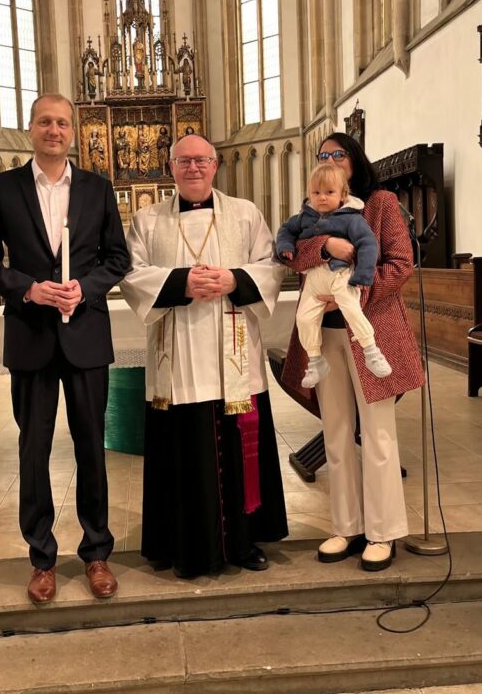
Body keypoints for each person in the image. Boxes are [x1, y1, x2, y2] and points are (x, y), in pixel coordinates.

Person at [0, 93, 130, 604]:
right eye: (45, 122)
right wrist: (26, 288)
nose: (54, 130)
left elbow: (117, 257)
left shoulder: (97, 189)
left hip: (85, 334)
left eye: (62, 123)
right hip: (31, 336)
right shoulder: (4, 188)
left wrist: (86, 287)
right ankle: (41, 559)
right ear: (32, 128)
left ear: (73, 132)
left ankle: (97, 553)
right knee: (34, 450)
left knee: (91, 448)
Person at [121, 134, 288, 578]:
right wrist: (181, 284)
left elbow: (271, 265)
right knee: (183, 452)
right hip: (177, 358)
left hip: (233, 354)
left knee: (238, 449)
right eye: (184, 161)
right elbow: (132, 274)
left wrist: (234, 280)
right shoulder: (147, 220)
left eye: (201, 160)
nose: (193, 167)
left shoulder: (245, 213)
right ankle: (181, 547)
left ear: (215, 165)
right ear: (171, 168)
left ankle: (243, 543)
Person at [281, 132, 424, 572]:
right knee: (337, 433)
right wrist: (325, 246)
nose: (330, 160)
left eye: (337, 153)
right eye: (323, 155)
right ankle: (346, 526)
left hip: (369, 332)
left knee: (377, 434)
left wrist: (354, 295)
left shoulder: (380, 203)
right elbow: (293, 256)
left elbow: (400, 263)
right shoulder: (312, 209)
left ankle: (383, 532)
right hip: (324, 337)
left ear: (354, 159)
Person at [276, 162, 392, 388]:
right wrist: (285, 246)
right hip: (313, 279)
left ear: (342, 194)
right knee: (304, 318)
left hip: (340, 275)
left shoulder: (351, 218)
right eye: (316, 192)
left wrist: (363, 276)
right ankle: (315, 361)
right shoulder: (304, 217)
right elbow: (285, 230)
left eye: (329, 192)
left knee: (352, 309)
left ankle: (371, 351)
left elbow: (368, 244)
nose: (321, 198)